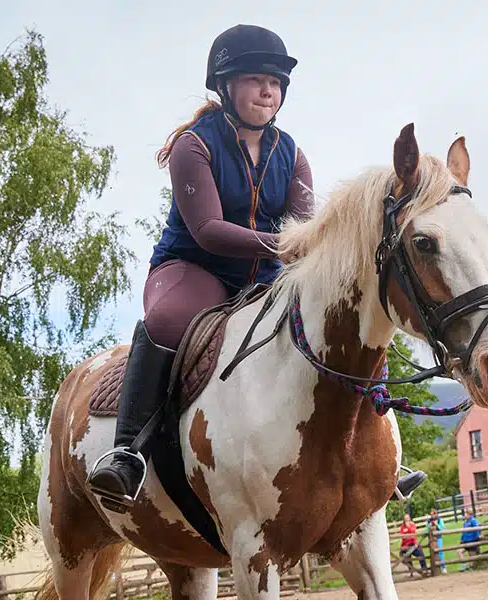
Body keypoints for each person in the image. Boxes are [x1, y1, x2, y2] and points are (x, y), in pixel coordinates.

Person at [87, 23, 426, 511]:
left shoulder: (291, 153)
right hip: (194, 269)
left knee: (345, 314)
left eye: (275, 81)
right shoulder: (193, 146)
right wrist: (287, 244)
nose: (268, 89)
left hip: (264, 278)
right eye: (254, 79)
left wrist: (316, 251)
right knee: (165, 323)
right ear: (225, 86)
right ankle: (126, 456)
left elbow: (305, 225)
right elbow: (209, 230)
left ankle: (381, 451)